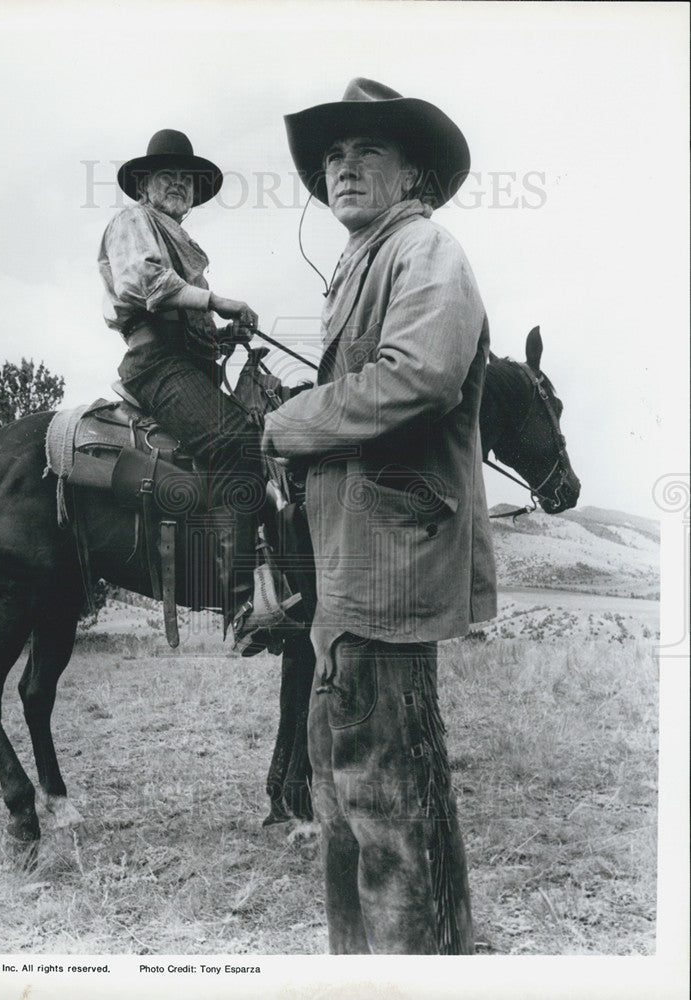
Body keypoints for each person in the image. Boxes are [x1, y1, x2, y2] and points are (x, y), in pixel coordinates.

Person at [262, 79, 497, 953]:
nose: (343, 167)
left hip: (389, 563)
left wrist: (288, 423)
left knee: (382, 806)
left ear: (414, 176)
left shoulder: (424, 248)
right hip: (350, 562)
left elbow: (417, 378)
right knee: (345, 797)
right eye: (331, 155)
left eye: (366, 151)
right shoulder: (365, 262)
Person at [98, 129, 295, 647]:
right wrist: (217, 301)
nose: (181, 185)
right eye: (170, 176)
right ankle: (239, 605)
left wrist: (225, 333)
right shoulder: (132, 222)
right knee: (237, 442)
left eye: (188, 180)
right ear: (144, 183)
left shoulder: (178, 237)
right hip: (157, 364)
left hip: (185, 363)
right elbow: (142, 284)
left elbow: (189, 314)